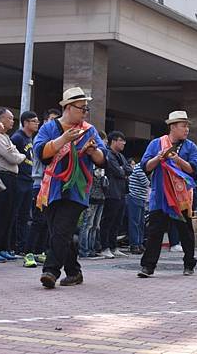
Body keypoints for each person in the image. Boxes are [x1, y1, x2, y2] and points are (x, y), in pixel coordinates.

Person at [34, 87, 106, 288]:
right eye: (82, 107)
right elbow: (41, 154)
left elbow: (103, 159)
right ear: (67, 107)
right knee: (60, 233)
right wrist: (64, 139)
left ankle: (50, 271)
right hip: (52, 188)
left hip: (77, 189)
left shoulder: (89, 130)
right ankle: (74, 272)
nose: (85, 111)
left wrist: (93, 152)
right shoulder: (49, 128)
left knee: (61, 230)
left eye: (86, 108)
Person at [137, 110, 197, 278]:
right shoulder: (157, 144)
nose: (186, 129)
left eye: (187, 126)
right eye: (183, 126)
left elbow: (194, 170)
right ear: (173, 127)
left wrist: (178, 160)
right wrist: (158, 158)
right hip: (160, 196)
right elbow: (146, 167)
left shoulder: (190, 146)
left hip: (182, 197)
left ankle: (189, 264)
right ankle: (148, 266)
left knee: (185, 232)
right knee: (155, 232)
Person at [0, 108, 26, 262]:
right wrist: (20, 155)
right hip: (1, 176)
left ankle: (3, 247)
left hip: (11, 178)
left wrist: (18, 155)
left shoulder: (5, 137)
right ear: (0, 119)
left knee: (9, 214)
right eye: (9, 118)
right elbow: (13, 157)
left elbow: (15, 155)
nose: (12, 121)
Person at [23, 109, 60, 268]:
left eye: (56, 121)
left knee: (46, 221)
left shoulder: (57, 139)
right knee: (38, 220)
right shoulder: (42, 138)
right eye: (51, 120)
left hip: (52, 184)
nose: (54, 123)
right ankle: (28, 253)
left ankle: (39, 251)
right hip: (40, 184)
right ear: (45, 122)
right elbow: (43, 158)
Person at [99, 131, 132, 259]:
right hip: (111, 192)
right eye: (121, 140)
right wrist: (122, 170)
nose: (123, 143)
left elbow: (129, 169)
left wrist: (123, 169)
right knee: (108, 221)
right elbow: (116, 171)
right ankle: (104, 247)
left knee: (117, 221)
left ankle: (114, 246)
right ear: (113, 141)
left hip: (122, 192)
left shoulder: (120, 156)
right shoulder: (107, 153)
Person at [11, 111, 39, 256]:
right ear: (26, 122)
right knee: (16, 214)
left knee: (25, 216)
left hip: (29, 180)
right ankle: (13, 246)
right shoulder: (17, 138)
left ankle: (21, 247)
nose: (37, 123)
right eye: (34, 121)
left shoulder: (30, 139)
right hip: (19, 180)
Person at [127, 159, 150, 255]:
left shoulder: (145, 168)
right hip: (134, 197)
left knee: (141, 223)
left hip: (142, 198)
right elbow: (147, 183)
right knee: (135, 222)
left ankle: (140, 243)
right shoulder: (140, 167)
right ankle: (134, 244)